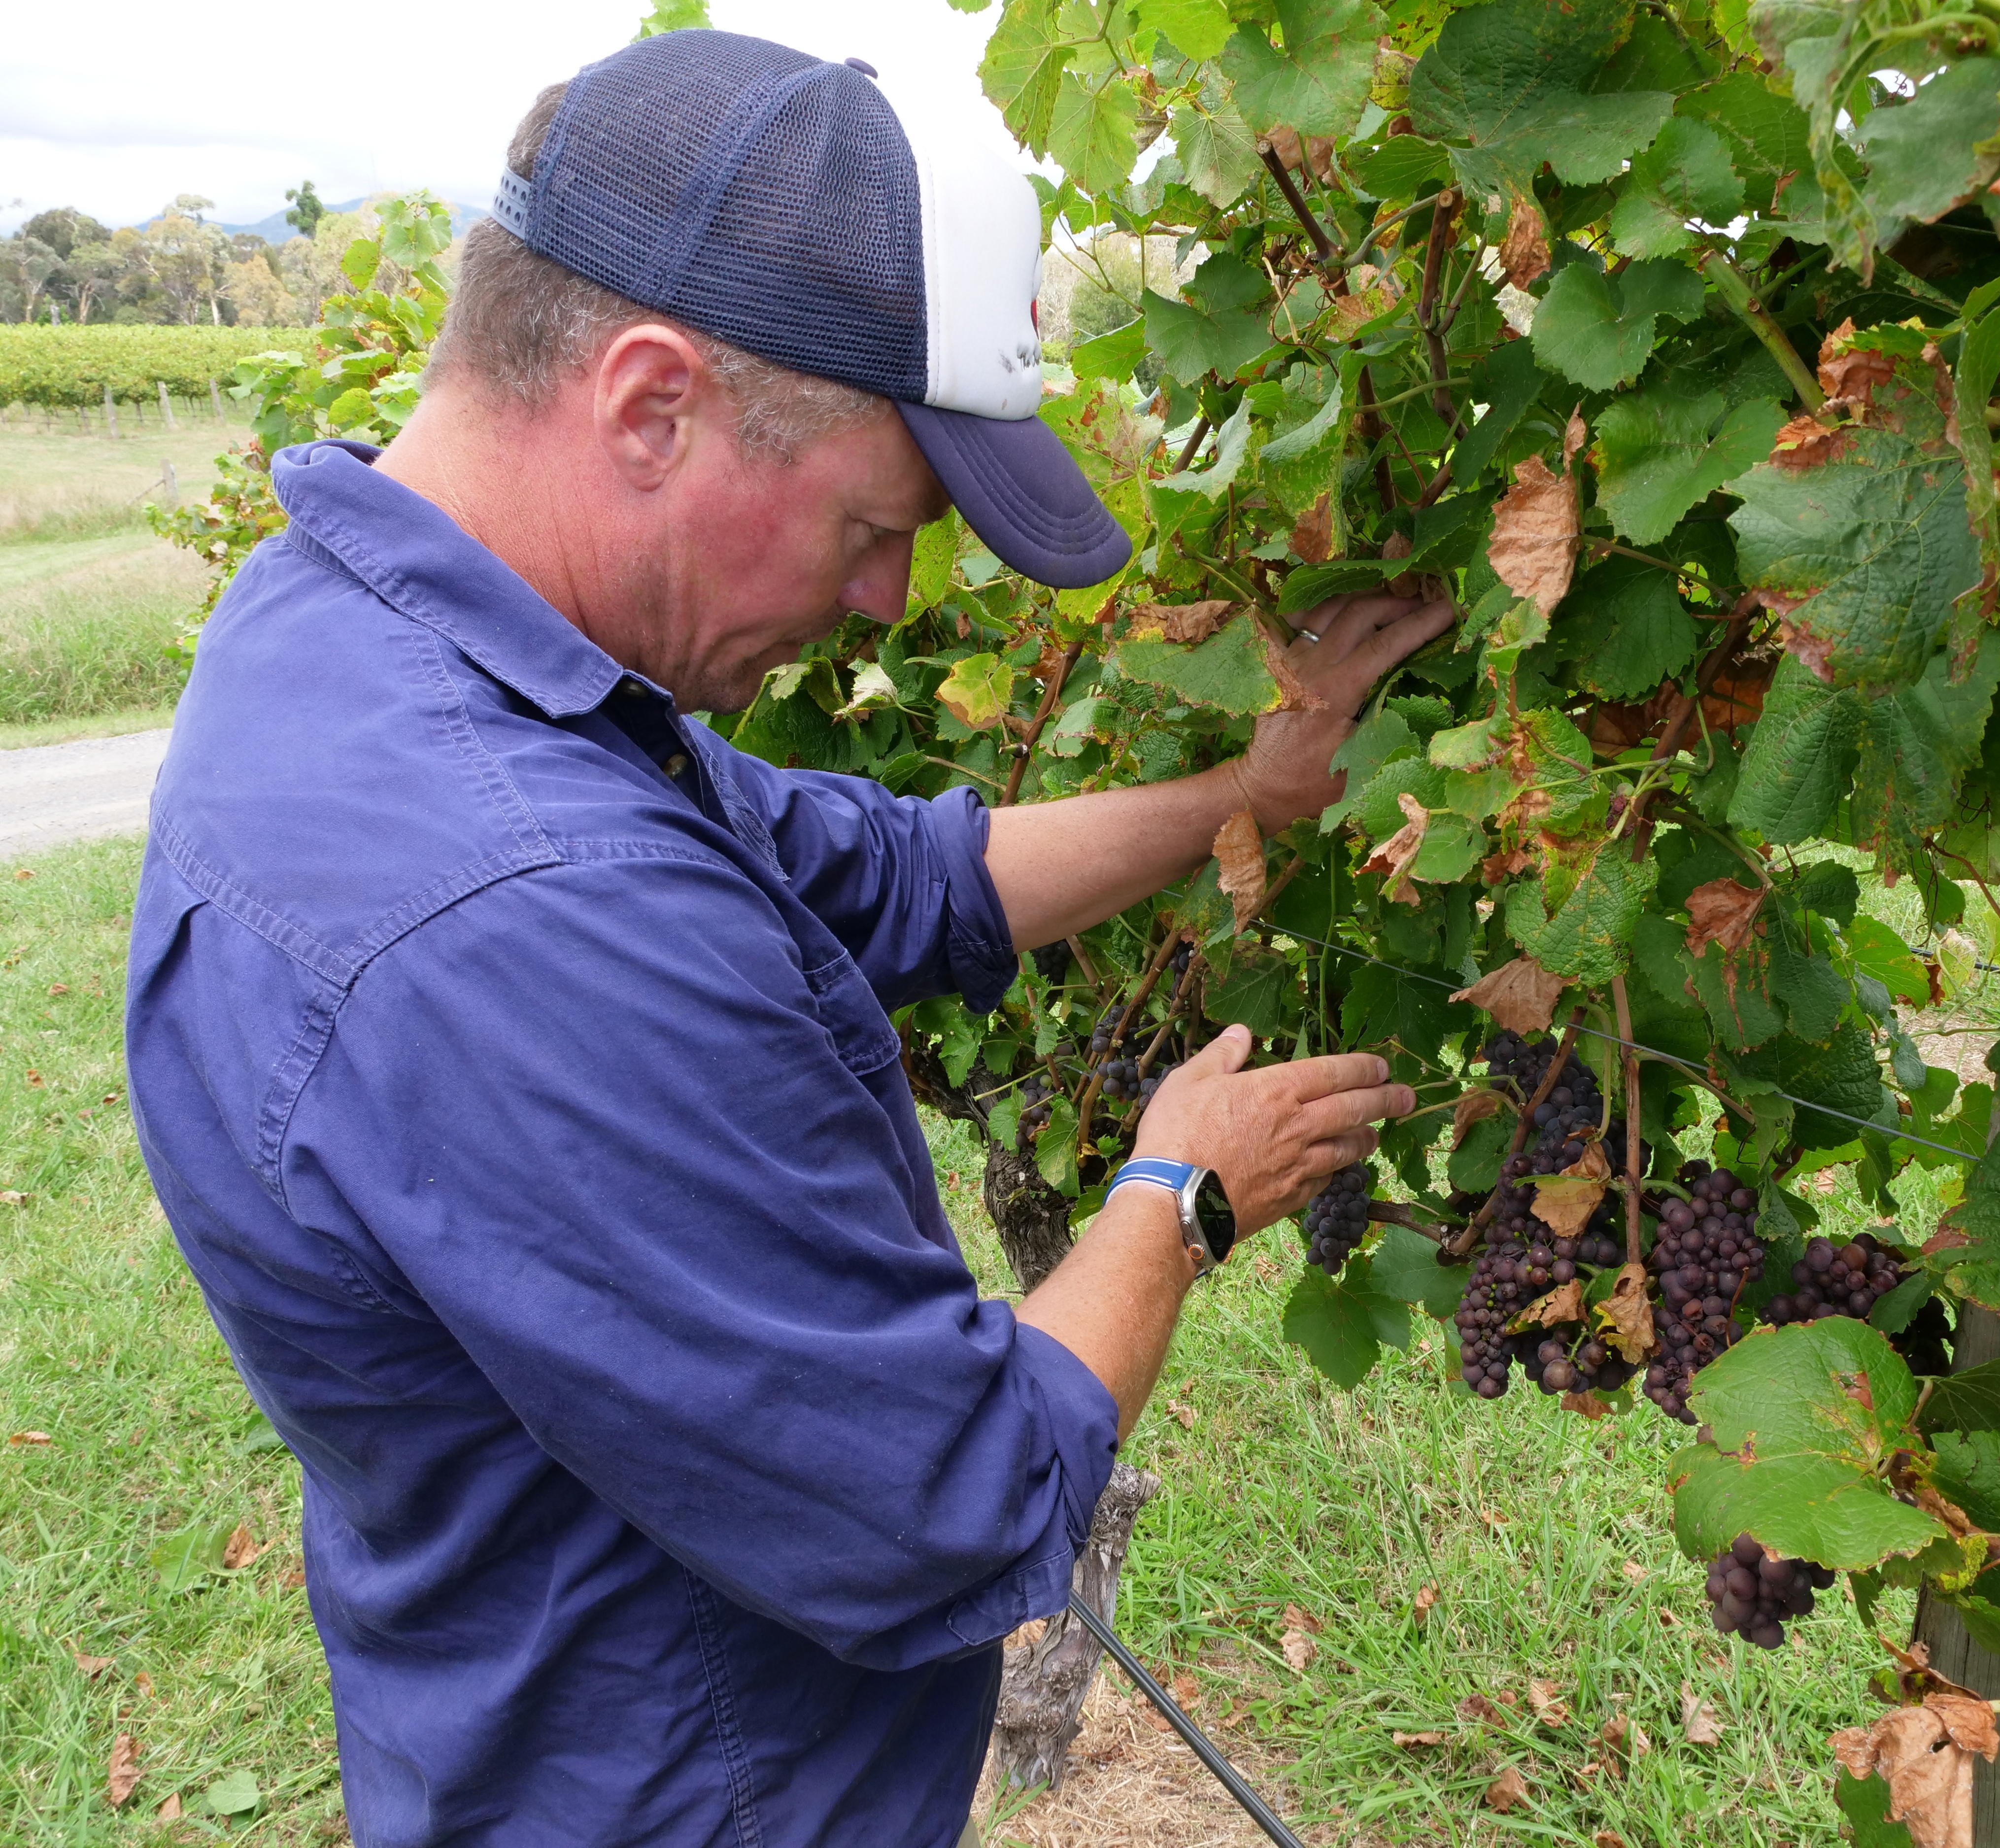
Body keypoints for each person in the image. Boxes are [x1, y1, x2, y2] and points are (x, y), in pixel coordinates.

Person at [123, 28, 1454, 1848]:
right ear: (653, 403)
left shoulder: (375, 651)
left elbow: (893, 873)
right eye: (871, 525)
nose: (887, 598)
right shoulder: (526, 913)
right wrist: (1179, 1195)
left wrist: (1256, 790)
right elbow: (959, 1502)